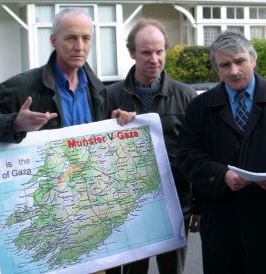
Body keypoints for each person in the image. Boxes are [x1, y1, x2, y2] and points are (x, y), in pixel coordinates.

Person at [177, 30, 266, 274]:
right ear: (217, 69)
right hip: (222, 223)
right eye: (225, 65)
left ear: (253, 60)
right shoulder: (200, 107)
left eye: (239, 61)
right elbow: (187, 155)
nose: (234, 70)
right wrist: (221, 175)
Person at [104, 19, 197, 274]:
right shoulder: (108, 97)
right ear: (132, 53)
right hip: (127, 209)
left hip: (175, 206)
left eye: (159, 51)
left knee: (172, 270)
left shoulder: (187, 96)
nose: (154, 59)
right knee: (133, 271)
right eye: (145, 52)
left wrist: (198, 208)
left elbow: (197, 153)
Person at [0, 8, 132, 143]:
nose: (79, 46)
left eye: (86, 38)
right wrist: (14, 123)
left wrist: (114, 123)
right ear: (53, 41)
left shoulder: (100, 91)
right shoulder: (21, 88)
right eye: (71, 38)